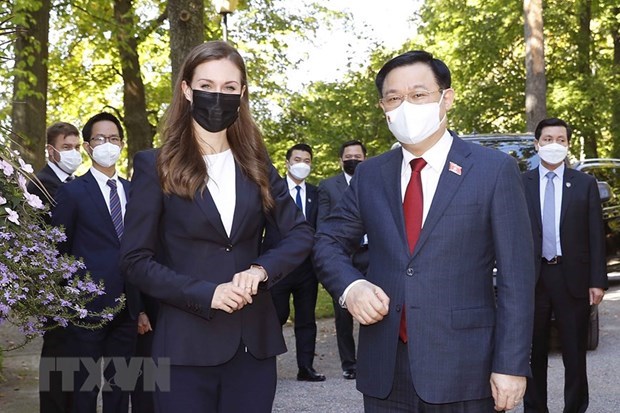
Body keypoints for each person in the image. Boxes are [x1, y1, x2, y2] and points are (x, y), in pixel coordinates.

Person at [313, 50, 535, 412]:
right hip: (386, 371)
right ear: (383, 107)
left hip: (465, 369)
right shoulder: (371, 175)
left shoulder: (493, 170)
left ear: (446, 98)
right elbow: (328, 241)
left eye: (418, 95)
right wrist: (351, 287)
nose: (405, 106)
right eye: (394, 98)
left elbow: (518, 276)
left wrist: (510, 365)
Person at [119, 41, 314, 413]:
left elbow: (300, 233)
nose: (218, 96)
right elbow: (135, 260)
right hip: (184, 349)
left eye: (229, 88)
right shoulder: (154, 166)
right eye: (207, 85)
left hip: (253, 348)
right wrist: (206, 293)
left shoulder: (257, 165)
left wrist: (262, 269)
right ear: (187, 90)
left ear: (242, 93)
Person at [52, 112, 142, 413]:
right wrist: (70, 300)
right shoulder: (72, 192)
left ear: (122, 144)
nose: (108, 144)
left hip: (128, 309)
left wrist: (141, 306)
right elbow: (60, 249)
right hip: (86, 308)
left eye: (114, 138)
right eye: (100, 139)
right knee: (84, 389)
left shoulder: (135, 191)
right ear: (88, 147)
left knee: (122, 386)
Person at [522, 118, 607, 413]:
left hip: (572, 278)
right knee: (533, 353)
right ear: (537, 145)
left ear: (568, 145)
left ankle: (575, 407)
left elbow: (596, 235)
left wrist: (597, 280)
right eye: (547, 139)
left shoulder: (584, 184)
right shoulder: (521, 183)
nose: (554, 145)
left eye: (560, 139)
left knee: (574, 352)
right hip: (533, 279)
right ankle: (535, 408)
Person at [28, 122, 82, 413]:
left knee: (70, 360)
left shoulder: (72, 182)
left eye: (76, 147)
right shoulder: (43, 184)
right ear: (51, 151)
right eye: (66, 147)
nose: (73, 152)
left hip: (72, 285)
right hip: (56, 286)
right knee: (57, 357)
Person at [263, 143, 325, 382]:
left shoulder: (317, 194)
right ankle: (267, 367)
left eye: (307, 160)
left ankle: (306, 368)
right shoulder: (271, 192)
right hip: (277, 266)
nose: (302, 164)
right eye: (297, 159)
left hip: (307, 268)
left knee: (306, 319)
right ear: (287, 162)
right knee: (275, 316)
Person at [317, 139, 369, 380]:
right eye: (349, 157)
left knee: (375, 310)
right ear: (341, 160)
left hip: (372, 256)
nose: (353, 160)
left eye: (358, 157)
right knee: (343, 314)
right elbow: (324, 225)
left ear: (365, 159)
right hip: (343, 258)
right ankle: (349, 364)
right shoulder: (328, 187)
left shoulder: (376, 183)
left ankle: (372, 361)